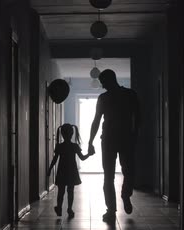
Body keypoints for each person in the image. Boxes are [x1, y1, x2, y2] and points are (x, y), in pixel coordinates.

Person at [88, 69, 141, 221]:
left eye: (103, 82)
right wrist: (135, 134)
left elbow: (97, 120)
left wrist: (91, 141)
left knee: (114, 175)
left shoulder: (110, 97)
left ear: (110, 80)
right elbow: (138, 117)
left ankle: (120, 200)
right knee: (122, 173)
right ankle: (114, 206)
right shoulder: (129, 94)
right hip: (120, 139)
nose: (103, 86)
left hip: (113, 140)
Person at [47, 123, 93, 218]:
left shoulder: (59, 146)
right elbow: (82, 158)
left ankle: (59, 207)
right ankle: (69, 209)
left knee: (61, 191)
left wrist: (50, 169)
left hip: (62, 171)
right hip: (72, 171)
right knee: (70, 191)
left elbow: (55, 159)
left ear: (62, 134)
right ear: (72, 133)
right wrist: (89, 154)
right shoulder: (74, 146)